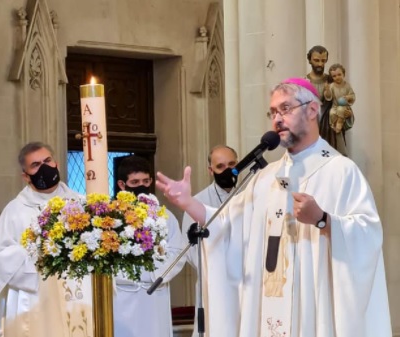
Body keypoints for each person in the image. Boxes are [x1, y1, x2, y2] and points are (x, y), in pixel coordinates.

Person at [156, 78, 391, 337]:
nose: (277, 119)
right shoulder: (265, 177)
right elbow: (227, 225)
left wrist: (323, 219)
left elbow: (368, 235)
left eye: (285, 109)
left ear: (312, 110)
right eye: (273, 112)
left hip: (311, 312)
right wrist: (188, 203)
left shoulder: (341, 171)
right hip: (269, 301)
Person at [0, 142, 91, 337]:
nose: (44, 167)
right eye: (35, 165)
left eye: (47, 161)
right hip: (36, 297)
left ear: (57, 164)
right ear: (26, 176)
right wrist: (38, 252)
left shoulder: (81, 204)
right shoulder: (15, 210)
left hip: (79, 294)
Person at [114, 155, 185, 337]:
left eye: (146, 181)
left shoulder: (165, 215)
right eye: (135, 182)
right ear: (122, 185)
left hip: (155, 293)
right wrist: (126, 277)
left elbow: (177, 251)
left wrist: (155, 275)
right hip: (122, 295)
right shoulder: (111, 217)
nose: (142, 186)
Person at [181, 145, 238, 337]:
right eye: (220, 166)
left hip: (246, 282)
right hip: (214, 283)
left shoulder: (249, 195)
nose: (227, 170)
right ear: (210, 170)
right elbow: (190, 251)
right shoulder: (197, 203)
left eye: (231, 164)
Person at [306, 45, 349, 156]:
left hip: (331, 131)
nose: (320, 64)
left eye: (323, 60)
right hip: (312, 130)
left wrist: (347, 114)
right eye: (316, 60)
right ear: (310, 60)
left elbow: (343, 102)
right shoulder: (304, 83)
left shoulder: (333, 81)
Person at [326, 63, 355, 134]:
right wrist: (327, 90)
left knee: (341, 109)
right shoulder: (332, 86)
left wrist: (348, 97)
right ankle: (334, 125)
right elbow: (329, 97)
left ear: (343, 74)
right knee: (332, 113)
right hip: (335, 107)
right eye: (334, 76)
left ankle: (340, 122)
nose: (337, 77)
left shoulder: (347, 85)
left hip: (344, 107)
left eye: (339, 74)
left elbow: (352, 96)